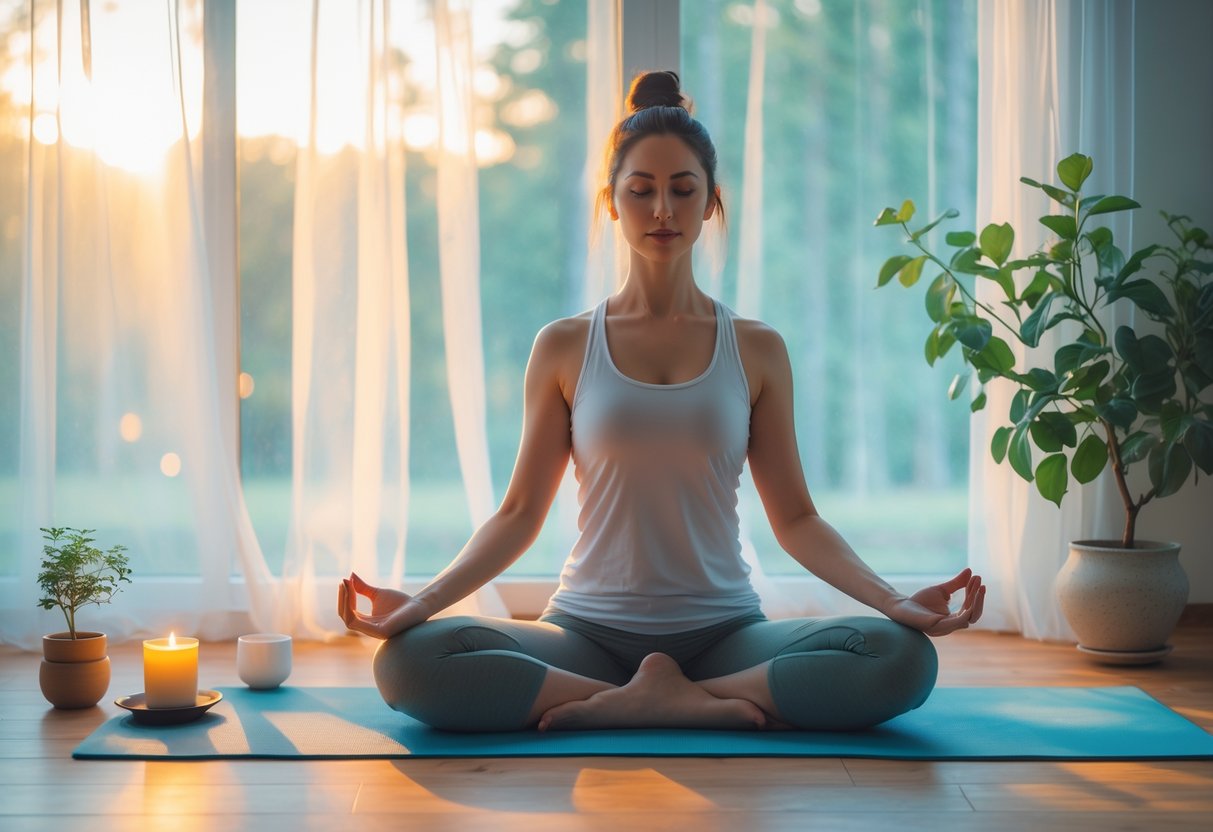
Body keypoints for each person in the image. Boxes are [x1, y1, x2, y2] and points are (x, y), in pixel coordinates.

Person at [337, 70, 985, 733]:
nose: (663, 212)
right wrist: (419, 604)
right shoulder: (563, 345)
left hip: (722, 635)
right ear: (611, 202)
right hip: (585, 636)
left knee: (899, 658)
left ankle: (650, 702)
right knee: (408, 662)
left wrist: (894, 602)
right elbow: (517, 512)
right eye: (640, 191)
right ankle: (685, 705)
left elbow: (795, 517)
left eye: (683, 190)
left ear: (710, 203)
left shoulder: (757, 348)